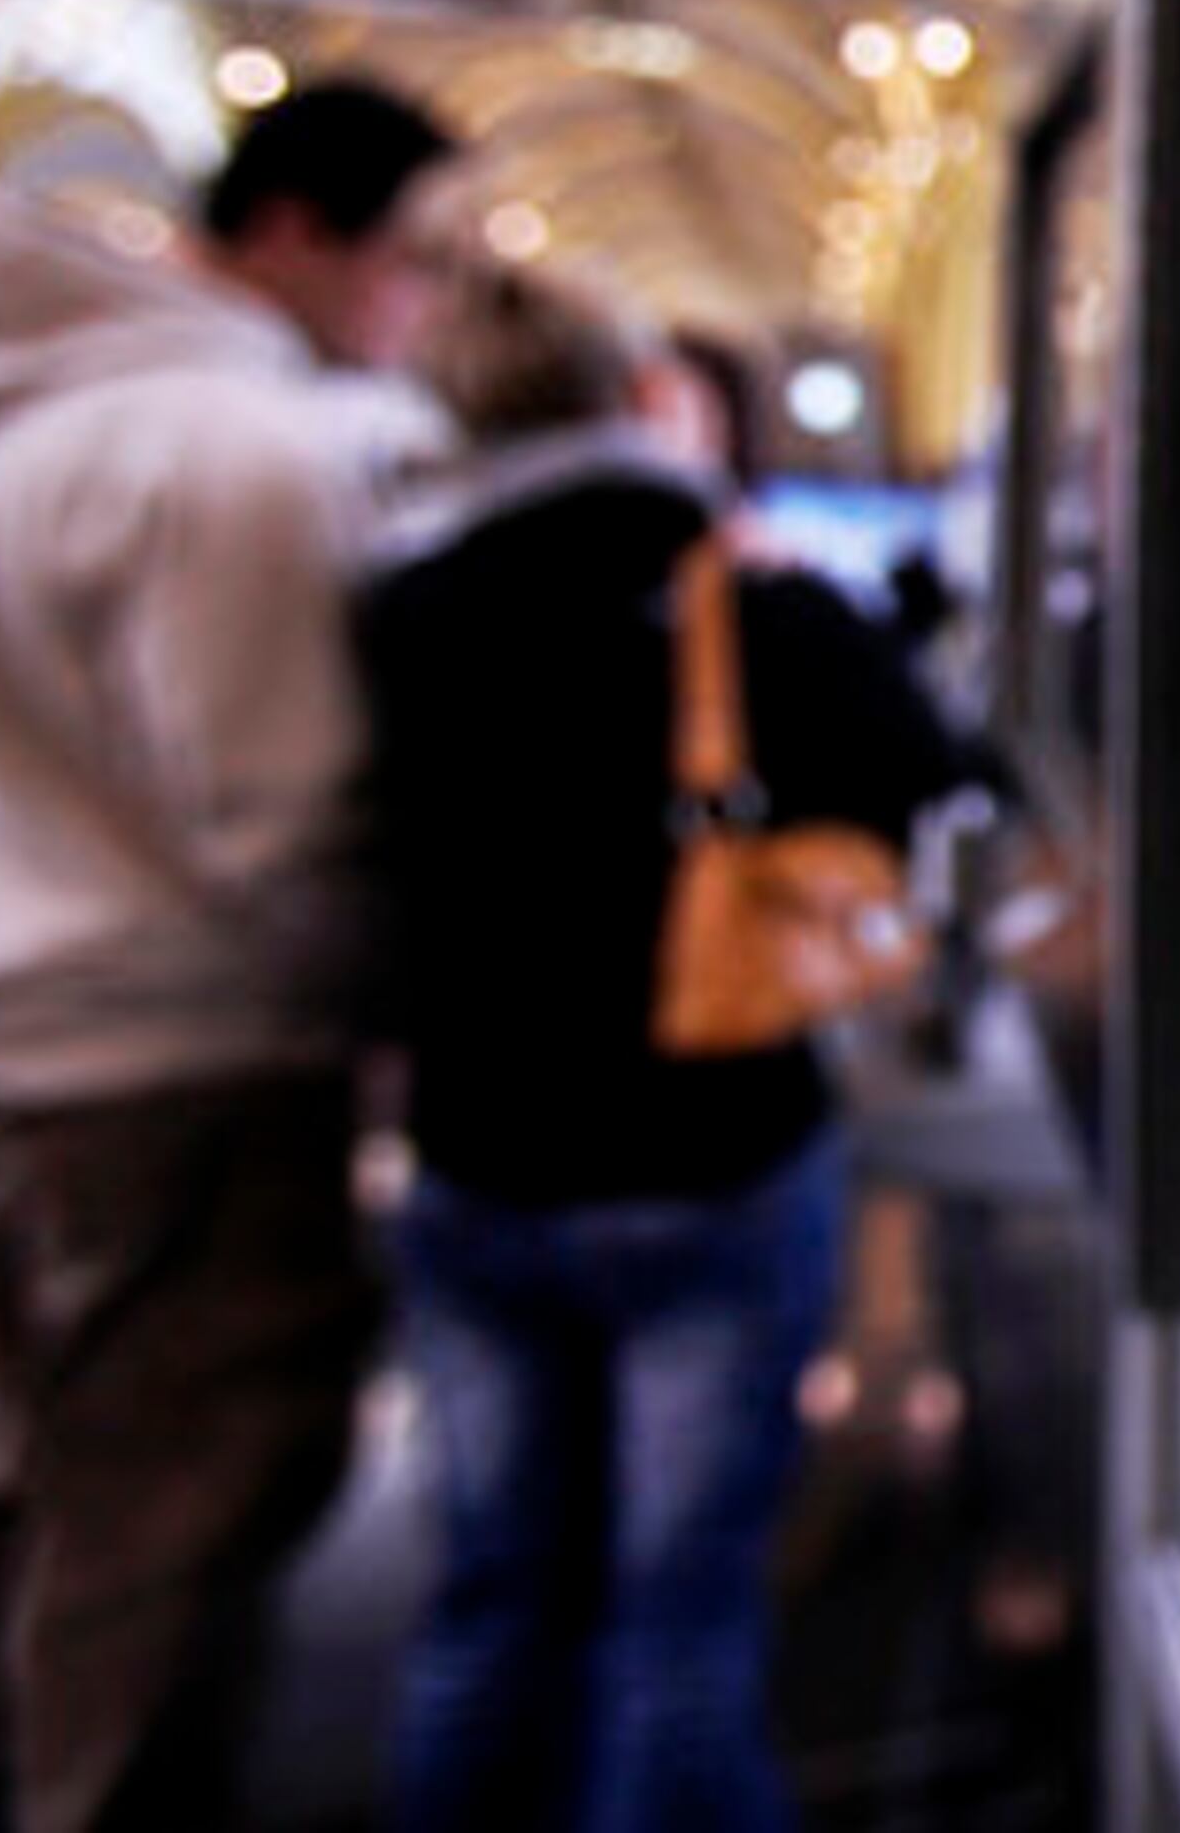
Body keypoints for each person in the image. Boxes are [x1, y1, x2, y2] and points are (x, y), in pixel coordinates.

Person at [356, 260, 965, 1833]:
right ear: (636, 396)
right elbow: (916, 760)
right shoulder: (741, 592)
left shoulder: (399, 604)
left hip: (480, 1148)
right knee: (678, 1605)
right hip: (711, 1141)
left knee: (495, 1585)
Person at [0, 80, 454, 1833]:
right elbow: (284, 813)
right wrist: (382, 1024)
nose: (424, 305)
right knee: (171, 1515)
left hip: (17, 1045)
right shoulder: (229, 450)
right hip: (182, 1056)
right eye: (414, 258)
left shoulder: (14, 438)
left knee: (41, 1484)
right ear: (299, 233)